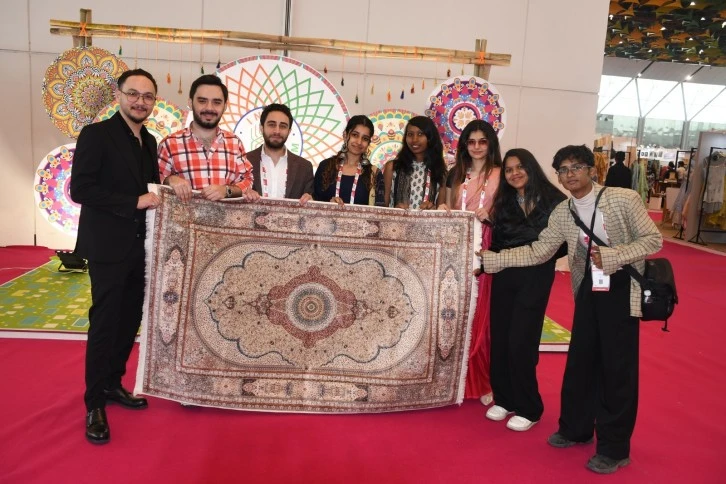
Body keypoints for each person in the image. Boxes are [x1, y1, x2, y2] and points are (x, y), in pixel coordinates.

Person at [479, 145, 662, 474]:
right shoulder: (563, 211)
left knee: (616, 369)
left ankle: (614, 448)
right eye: (563, 170)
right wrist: (495, 260)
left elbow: (652, 239)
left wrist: (615, 255)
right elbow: (540, 251)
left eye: (576, 167)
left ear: (592, 170)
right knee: (580, 361)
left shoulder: (623, 199)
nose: (570, 174)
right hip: (588, 287)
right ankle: (575, 429)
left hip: (622, 287)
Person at [70, 69, 161, 444]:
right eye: (133, 94)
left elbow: (153, 189)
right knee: (105, 323)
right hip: (108, 247)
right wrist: (133, 201)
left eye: (148, 96)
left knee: (129, 321)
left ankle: (112, 383)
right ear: (120, 95)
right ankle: (94, 404)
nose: (140, 101)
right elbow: (81, 189)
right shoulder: (96, 135)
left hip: (141, 247)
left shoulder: (149, 141)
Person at [485, 148, 566, 432]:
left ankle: (529, 407)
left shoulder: (554, 200)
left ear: (531, 168)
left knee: (522, 340)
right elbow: (497, 241)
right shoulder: (504, 201)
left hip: (535, 276)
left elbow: (556, 246)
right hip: (504, 275)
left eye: (520, 167)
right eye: (509, 170)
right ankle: (504, 398)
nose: (515, 173)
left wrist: (525, 253)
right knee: (501, 338)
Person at [438, 119, 501, 404]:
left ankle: (482, 380)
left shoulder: (500, 174)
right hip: (455, 247)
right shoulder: (455, 173)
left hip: (485, 246)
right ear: (464, 144)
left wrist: (492, 216)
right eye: (471, 141)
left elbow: (507, 214)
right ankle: (451, 378)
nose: (476, 147)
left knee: (481, 312)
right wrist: (442, 207)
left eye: (482, 141)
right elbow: (445, 205)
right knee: (455, 307)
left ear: (491, 144)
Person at [158, 75, 259, 202]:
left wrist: (226, 190)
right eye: (202, 101)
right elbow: (156, 182)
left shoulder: (234, 143)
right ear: (190, 103)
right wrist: (170, 180)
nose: (209, 108)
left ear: (225, 106)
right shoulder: (169, 144)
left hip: (226, 215)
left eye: (216, 102)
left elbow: (248, 180)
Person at [246, 103, 314, 203]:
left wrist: (311, 201)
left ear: (289, 131)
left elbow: (311, 201)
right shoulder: (244, 161)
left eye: (283, 126)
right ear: (261, 128)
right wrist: (242, 193)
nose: (277, 131)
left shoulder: (304, 167)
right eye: (271, 125)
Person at [384, 116, 447, 209]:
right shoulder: (393, 167)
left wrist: (433, 210)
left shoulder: (440, 171)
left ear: (430, 137)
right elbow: (382, 208)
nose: (414, 139)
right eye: (410, 134)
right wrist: (396, 211)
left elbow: (441, 211)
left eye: (420, 134)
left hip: (426, 219)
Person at [314, 115, 377, 206]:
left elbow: (379, 211)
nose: (359, 142)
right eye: (355, 135)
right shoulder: (325, 167)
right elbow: (314, 203)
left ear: (368, 143)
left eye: (365, 138)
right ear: (345, 135)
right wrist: (328, 205)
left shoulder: (374, 174)